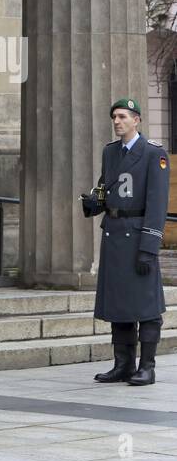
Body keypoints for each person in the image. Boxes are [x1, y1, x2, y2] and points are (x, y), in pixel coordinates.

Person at [82, 98, 170, 386]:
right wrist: (94, 203)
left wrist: (149, 248)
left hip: (138, 237)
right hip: (114, 234)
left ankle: (147, 366)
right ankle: (123, 364)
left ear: (137, 120)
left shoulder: (152, 153)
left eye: (122, 117)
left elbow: (157, 205)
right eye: (114, 117)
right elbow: (106, 188)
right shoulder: (110, 153)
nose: (117, 122)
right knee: (119, 304)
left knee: (146, 305)